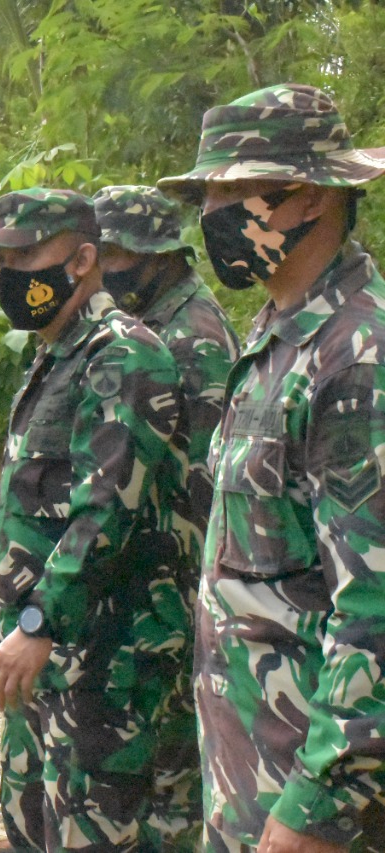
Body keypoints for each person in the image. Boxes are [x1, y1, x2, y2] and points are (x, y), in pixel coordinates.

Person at [158, 83, 385, 853]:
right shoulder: (275, 337)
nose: (213, 210)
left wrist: (313, 812)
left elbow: (375, 614)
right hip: (249, 775)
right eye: (208, 191)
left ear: (313, 196)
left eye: (235, 188)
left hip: (310, 807)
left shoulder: (357, 358)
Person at [0, 189, 184, 850]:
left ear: (84, 258)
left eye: (27, 254)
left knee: (98, 832)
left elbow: (108, 507)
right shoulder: (52, 357)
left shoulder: (123, 356)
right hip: (49, 663)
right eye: (3, 258)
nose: (12, 273)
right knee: (32, 824)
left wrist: (40, 619)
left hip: (103, 661)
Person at [93, 184, 242, 850]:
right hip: (153, 577)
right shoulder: (158, 322)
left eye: (118, 252)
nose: (106, 268)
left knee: (173, 775)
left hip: (175, 584)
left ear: (156, 253)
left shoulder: (194, 339)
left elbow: (202, 483)